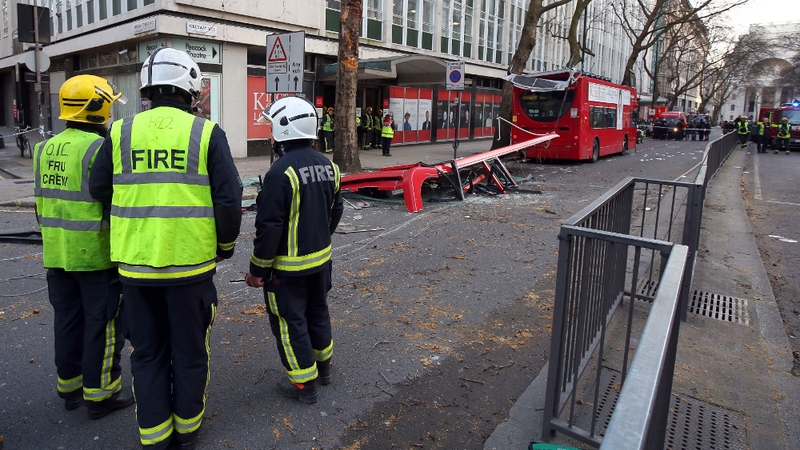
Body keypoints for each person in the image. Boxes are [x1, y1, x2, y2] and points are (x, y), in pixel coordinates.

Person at [89, 46, 242, 450]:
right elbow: (229, 199)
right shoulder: (206, 132)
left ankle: (154, 436)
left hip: (136, 272)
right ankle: (187, 430)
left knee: (147, 352)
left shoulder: (120, 132)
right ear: (191, 88)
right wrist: (224, 246)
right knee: (190, 352)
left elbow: (99, 188)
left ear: (147, 87)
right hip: (190, 269)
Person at [33, 74, 135, 420]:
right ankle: (101, 395)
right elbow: (111, 199)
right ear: (97, 107)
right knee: (103, 326)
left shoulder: (42, 148)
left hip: (56, 253)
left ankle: (70, 389)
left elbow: (41, 203)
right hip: (94, 255)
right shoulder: (98, 148)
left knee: (67, 321)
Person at [246, 96, 343, 404]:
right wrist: (320, 236)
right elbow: (335, 209)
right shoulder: (329, 167)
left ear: (285, 130)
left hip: (286, 269)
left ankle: (304, 384)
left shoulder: (280, 173)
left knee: (290, 323)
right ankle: (324, 367)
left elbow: (269, 227)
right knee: (318, 311)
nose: (270, 135)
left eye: (272, 127)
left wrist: (258, 269)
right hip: (320, 261)